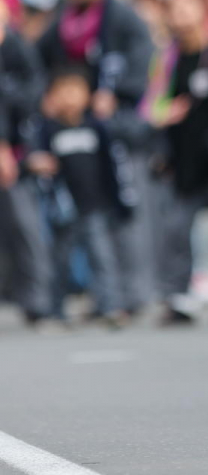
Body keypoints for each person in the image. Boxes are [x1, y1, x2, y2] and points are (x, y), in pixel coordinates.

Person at [36, 0, 154, 311]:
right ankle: (104, 296)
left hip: (117, 131)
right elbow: (38, 64)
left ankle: (134, 294)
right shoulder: (62, 23)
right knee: (85, 222)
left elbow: (142, 62)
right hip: (77, 136)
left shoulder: (122, 17)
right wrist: (49, 98)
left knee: (126, 212)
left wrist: (117, 94)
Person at [141, 0, 208, 324]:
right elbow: (150, 106)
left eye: (187, 7)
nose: (181, 15)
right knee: (177, 229)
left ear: (203, 10)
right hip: (182, 159)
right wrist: (163, 113)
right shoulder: (167, 59)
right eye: (174, 9)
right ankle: (177, 298)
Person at [27, 66, 139, 326]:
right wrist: (38, 165)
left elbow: (112, 167)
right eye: (63, 91)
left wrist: (120, 200)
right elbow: (35, 163)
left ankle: (109, 307)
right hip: (62, 208)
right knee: (60, 261)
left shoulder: (96, 128)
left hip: (94, 206)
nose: (69, 97)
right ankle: (55, 311)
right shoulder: (46, 130)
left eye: (75, 91)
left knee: (102, 257)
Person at [0, 0, 51, 323]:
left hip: (16, 153)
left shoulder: (18, 50)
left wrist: (6, 146)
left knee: (25, 227)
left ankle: (37, 299)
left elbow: (32, 93)